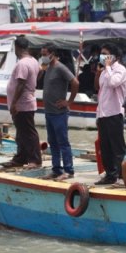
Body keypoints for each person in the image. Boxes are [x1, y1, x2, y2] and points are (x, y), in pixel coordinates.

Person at [40, 45, 79, 181]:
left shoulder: (60, 67)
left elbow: (75, 82)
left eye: (45, 53)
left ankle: (68, 170)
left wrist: (69, 102)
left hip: (59, 113)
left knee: (63, 142)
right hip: (49, 112)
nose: (43, 56)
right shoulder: (48, 67)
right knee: (53, 142)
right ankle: (56, 169)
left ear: (52, 54)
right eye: (42, 53)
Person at [3, 36, 42, 169]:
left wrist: (14, 103)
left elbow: (20, 83)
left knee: (28, 132)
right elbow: (40, 72)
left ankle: (35, 160)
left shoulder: (22, 63)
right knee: (21, 133)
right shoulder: (33, 61)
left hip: (22, 104)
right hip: (26, 102)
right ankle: (21, 157)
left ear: (17, 48)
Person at [94, 42, 126, 185]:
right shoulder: (104, 72)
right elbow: (100, 90)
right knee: (105, 146)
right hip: (103, 113)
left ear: (114, 56)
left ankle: (122, 175)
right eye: (101, 53)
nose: (102, 56)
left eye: (105, 54)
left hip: (114, 112)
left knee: (118, 146)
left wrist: (107, 67)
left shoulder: (120, 70)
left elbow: (113, 83)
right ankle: (110, 174)